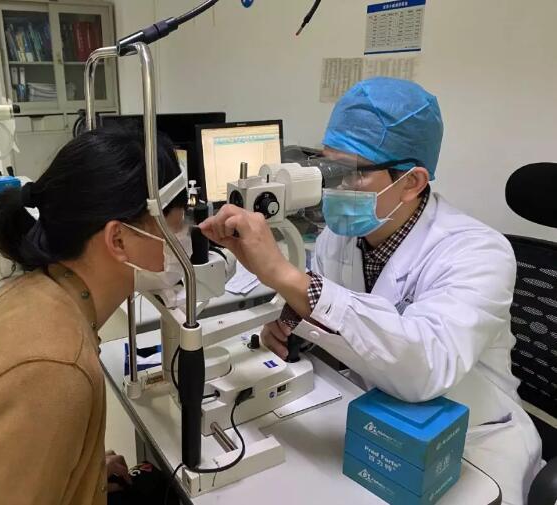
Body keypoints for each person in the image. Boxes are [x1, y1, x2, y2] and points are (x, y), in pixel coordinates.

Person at [200, 77, 543, 504]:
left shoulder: (478, 252)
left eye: (353, 173)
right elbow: (338, 317)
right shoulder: (342, 234)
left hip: (471, 443)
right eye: (328, 167)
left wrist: (284, 276)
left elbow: (426, 367)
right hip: (372, 414)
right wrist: (293, 326)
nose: (333, 187)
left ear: (412, 182)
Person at [0, 125, 189, 504]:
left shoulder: (36, 292)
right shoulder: (55, 370)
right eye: (174, 232)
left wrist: (82, 474)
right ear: (118, 239)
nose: (184, 246)